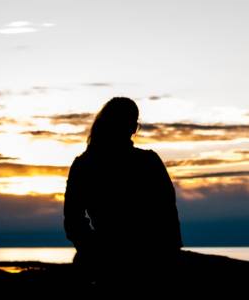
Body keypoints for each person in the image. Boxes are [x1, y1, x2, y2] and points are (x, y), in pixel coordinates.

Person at [63, 97, 182, 282]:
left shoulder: (84, 164)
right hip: (141, 261)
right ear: (133, 128)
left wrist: (92, 249)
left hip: (135, 259)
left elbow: (73, 221)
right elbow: (168, 215)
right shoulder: (148, 162)